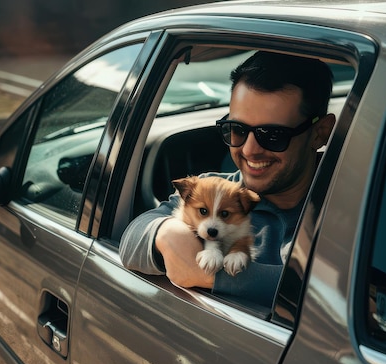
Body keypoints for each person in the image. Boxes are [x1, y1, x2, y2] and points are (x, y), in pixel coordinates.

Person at [119, 51, 336, 307]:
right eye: (238, 130)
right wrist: (165, 233)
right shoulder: (211, 188)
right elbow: (130, 243)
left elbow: (344, 301)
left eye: (273, 135)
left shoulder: (355, 209)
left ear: (320, 134)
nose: (249, 150)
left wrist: (215, 277)